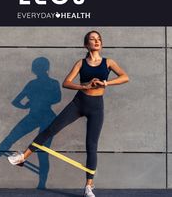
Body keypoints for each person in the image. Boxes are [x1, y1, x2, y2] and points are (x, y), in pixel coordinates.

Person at [7, 30, 129, 197]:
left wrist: (105, 83)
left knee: (91, 145)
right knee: (51, 130)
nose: (96, 41)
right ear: (86, 44)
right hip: (79, 103)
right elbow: (66, 83)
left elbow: (125, 77)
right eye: (92, 39)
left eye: (98, 39)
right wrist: (84, 86)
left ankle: (88, 187)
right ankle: (23, 157)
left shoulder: (108, 62)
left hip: (96, 107)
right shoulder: (81, 63)